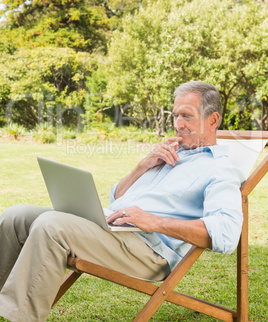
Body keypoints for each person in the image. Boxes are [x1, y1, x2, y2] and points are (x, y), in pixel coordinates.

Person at [0, 81, 244, 322]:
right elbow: (116, 198)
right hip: (114, 229)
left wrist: (154, 221)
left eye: (187, 116)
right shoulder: (170, 153)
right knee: (15, 216)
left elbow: (226, 233)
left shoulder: (219, 169)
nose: (178, 124)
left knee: (51, 225)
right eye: (175, 115)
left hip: (149, 251)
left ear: (213, 120)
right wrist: (143, 166)